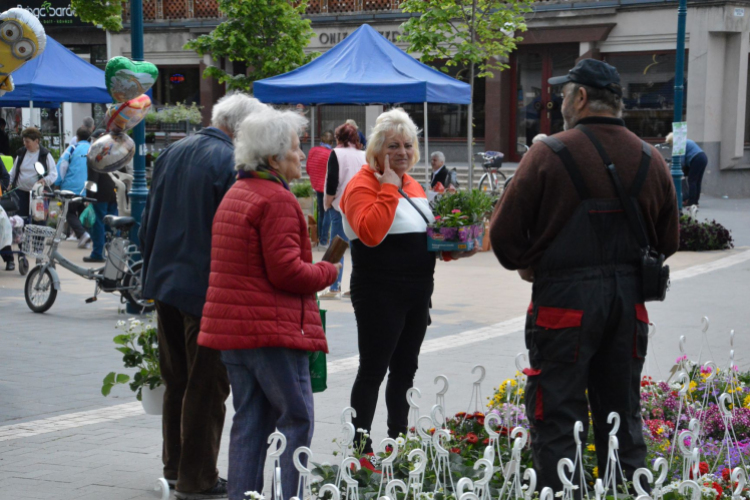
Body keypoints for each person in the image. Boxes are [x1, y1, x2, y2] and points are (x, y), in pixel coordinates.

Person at [489, 59, 679, 492]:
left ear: (580, 98)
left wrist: (529, 263)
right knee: (622, 418)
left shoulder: (549, 152)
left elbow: (502, 237)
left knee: (557, 416)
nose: (557, 103)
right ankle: (628, 490)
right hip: (629, 302)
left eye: (562, 94)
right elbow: (668, 239)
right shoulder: (651, 158)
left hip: (563, 302)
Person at [198, 107, 339, 500]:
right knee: (296, 419)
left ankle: (242, 495)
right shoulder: (275, 199)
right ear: (274, 158)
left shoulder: (238, 191)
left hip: (236, 332)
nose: (302, 154)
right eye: (296, 148)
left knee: (251, 422)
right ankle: (287, 495)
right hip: (270, 331)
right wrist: (328, 270)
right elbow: (288, 273)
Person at [140, 93, 265, 500]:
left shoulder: (173, 152)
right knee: (206, 385)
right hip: (206, 288)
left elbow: (149, 221)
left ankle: (175, 468)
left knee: (177, 380)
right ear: (242, 128)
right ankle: (198, 478)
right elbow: (233, 235)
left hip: (165, 281)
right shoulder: (229, 163)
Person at [340, 109, 477, 463]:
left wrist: (453, 251)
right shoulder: (361, 185)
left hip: (418, 292)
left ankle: (397, 441)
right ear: (376, 149)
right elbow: (370, 233)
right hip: (379, 291)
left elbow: (426, 237)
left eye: (407, 145)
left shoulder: (414, 185)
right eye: (392, 146)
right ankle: (361, 450)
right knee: (373, 369)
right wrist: (386, 186)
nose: (402, 152)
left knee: (406, 369)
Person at [319, 123, 366, 299]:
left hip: (339, 206)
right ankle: (356, 286)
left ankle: (334, 286)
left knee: (337, 246)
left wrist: (327, 202)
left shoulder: (336, 153)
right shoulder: (364, 155)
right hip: (360, 206)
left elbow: (332, 182)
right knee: (358, 248)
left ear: (338, 138)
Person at [84, 129, 121, 263]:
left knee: (98, 223)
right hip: (114, 192)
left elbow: (92, 178)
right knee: (113, 224)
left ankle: (97, 253)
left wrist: (88, 196)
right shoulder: (115, 151)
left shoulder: (94, 154)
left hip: (99, 194)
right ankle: (115, 253)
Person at [8, 127, 57, 220]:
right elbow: (13, 171)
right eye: (24, 141)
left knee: (38, 220)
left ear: (36, 141)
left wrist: (45, 180)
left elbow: (53, 174)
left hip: (38, 195)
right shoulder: (21, 153)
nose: (25, 144)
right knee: (20, 220)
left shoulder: (45, 155)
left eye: (27, 141)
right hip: (20, 193)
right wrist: (9, 182)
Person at [55, 127, 91, 248]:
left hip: (71, 188)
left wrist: (57, 183)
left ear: (77, 137)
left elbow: (61, 166)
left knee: (69, 212)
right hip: (87, 187)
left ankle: (82, 234)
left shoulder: (72, 148)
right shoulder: (93, 149)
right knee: (82, 211)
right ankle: (85, 238)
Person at [305, 130, 334, 246]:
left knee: (322, 212)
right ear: (332, 142)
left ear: (321, 139)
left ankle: (319, 240)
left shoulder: (313, 151)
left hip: (317, 185)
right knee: (328, 213)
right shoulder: (331, 154)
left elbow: (308, 168)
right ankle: (323, 240)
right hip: (328, 187)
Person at [666, 132, 707, 207]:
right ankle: (695, 201)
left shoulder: (680, 144)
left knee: (692, 181)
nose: (671, 145)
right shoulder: (685, 141)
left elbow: (682, 161)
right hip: (703, 157)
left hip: (696, 159)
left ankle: (691, 202)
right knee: (697, 181)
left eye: (670, 143)